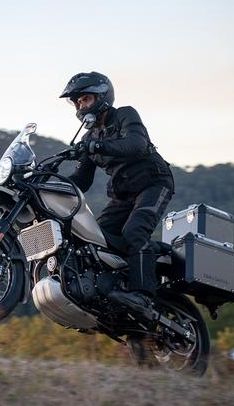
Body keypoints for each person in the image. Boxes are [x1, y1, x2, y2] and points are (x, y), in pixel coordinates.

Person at [60, 71, 174, 317]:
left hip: (153, 184)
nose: (81, 105)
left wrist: (98, 146)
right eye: (78, 101)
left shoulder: (124, 114)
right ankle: (114, 294)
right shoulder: (90, 137)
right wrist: (50, 183)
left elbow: (136, 144)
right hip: (122, 195)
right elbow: (82, 180)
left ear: (102, 96)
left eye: (85, 98)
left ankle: (143, 295)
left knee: (135, 231)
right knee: (95, 240)